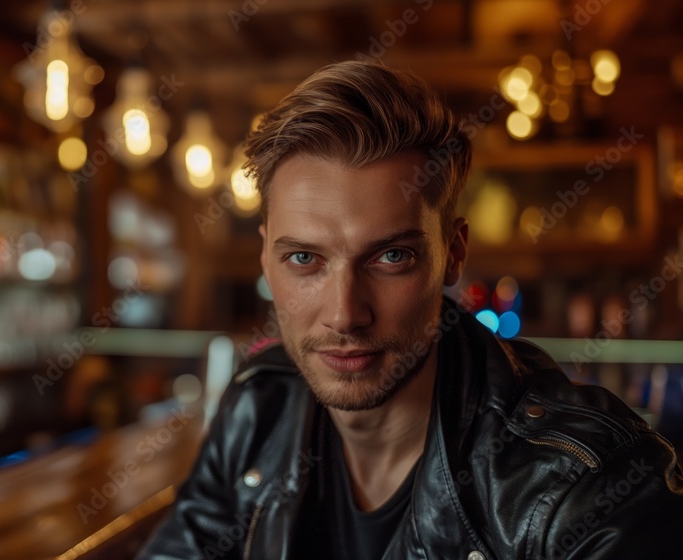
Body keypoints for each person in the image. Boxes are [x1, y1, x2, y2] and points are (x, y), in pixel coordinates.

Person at [138, 61, 683, 559]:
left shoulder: (586, 483)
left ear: (454, 254)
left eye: (391, 256)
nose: (345, 314)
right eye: (304, 258)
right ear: (265, 257)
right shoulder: (259, 406)